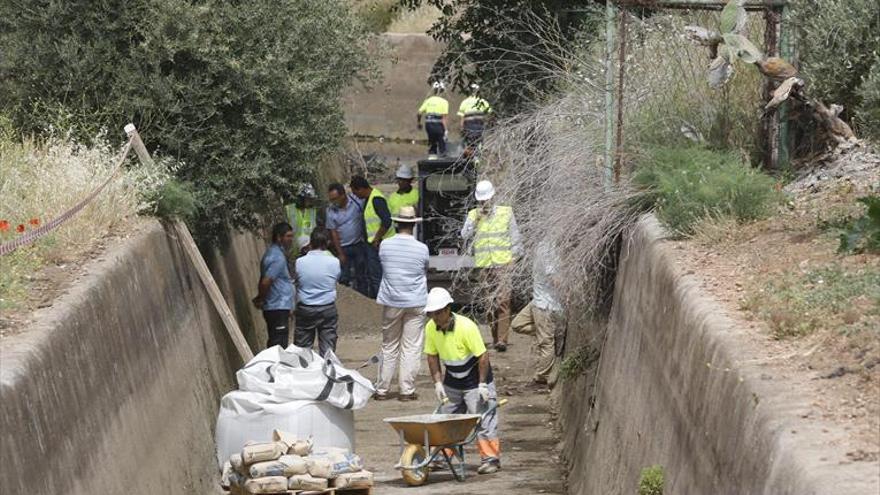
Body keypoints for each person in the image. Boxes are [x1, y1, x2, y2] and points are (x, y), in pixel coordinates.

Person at [424, 287, 501, 475]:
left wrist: (482, 385)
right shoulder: (431, 328)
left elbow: (483, 356)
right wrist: (437, 383)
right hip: (453, 379)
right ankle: (441, 457)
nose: (435, 317)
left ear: (447, 310)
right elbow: (432, 356)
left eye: (438, 313)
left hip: (475, 378)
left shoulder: (466, 327)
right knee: (445, 418)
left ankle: (490, 459)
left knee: (482, 418)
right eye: (431, 314)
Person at [374, 206, 429, 401]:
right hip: (416, 301)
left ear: (397, 223)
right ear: (414, 225)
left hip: (392, 300)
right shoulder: (422, 248)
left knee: (389, 345)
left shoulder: (385, 245)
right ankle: (406, 389)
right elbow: (424, 269)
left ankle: (382, 389)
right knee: (411, 346)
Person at [460, 180, 521, 352]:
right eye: (481, 201)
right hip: (484, 266)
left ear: (492, 197)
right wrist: (475, 220)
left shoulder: (506, 213)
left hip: (503, 263)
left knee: (503, 301)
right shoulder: (473, 215)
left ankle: (502, 340)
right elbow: (464, 235)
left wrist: (513, 260)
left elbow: (515, 238)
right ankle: (495, 337)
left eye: (486, 200)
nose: (484, 203)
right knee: (489, 304)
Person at [510, 239, 563, 387]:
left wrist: (567, 294)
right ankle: (547, 332)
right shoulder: (542, 245)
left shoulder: (547, 250)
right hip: (537, 301)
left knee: (545, 344)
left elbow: (555, 278)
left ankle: (541, 377)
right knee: (517, 324)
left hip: (546, 304)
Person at [293, 228, 342, 356]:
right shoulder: (334, 262)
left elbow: (297, 280)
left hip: (305, 308)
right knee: (328, 351)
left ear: (311, 243)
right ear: (327, 243)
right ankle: (326, 373)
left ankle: (304, 373)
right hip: (327, 308)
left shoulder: (299, 262)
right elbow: (335, 279)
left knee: (302, 351)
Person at [349, 175, 394, 299]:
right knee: (374, 275)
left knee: (377, 276)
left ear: (361, 189)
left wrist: (377, 238)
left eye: (355, 193)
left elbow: (387, 221)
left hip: (379, 244)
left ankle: (380, 302)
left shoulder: (376, 199)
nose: (356, 196)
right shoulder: (369, 199)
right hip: (373, 244)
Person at [252, 222, 296, 348]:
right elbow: (266, 281)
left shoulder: (276, 254)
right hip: (277, 307)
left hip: (279, 306)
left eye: (291, 236)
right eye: (288, 236)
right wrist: (261, 298)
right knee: (278, 345)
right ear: (278, 237)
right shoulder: (276, 257)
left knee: (280, 343)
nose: (291, 240)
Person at [326, 182, 368, 297]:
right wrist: (340, 253)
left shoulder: (356, 201)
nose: (333, 202)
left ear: (343, 195)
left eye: (335, 199)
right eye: (331, 199)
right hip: (343, 247)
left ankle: (363, 299)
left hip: (359, 244)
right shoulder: (330, 211)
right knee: (344, 276)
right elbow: (333, 232)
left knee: (361, 275)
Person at [284, 183, 321, 255]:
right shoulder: (289, 209)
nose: (310, 201)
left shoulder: (312, 211)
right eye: (308, 199)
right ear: (301, 198)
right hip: (294, 252)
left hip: (311, 251)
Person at [416, 81, 449, 157]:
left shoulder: (428, 101)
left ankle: (432, 157)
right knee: (441, 143)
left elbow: (419, 113)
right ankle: (442, 160)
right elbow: (444, 118)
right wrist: (446, 130)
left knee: (432, 143)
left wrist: (418, 123)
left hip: (429, 125)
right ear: (442, 91)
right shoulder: (444, 102)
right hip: (439, 126)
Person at [457, 83, 492, 149]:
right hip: (479, 124)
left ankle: (471, 155)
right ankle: (478, 155)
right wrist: (488, 124)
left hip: (468, 125)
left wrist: (461, 127)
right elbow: (489, 114)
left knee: (469, 141)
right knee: (479, 139)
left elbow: (462, 117)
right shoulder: (483, 101)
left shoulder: (465, 102)